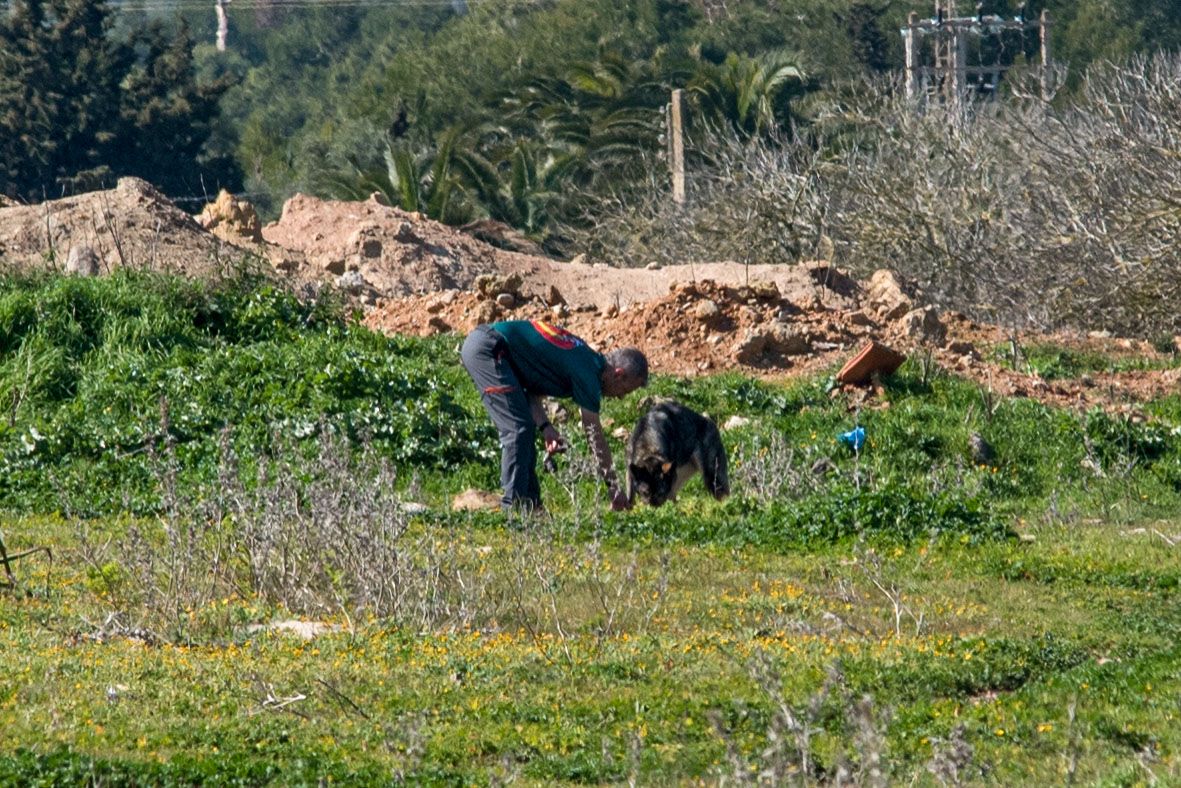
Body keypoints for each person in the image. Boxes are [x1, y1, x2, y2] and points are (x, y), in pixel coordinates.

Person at [460, 319, 648, 512]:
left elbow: (531, 394)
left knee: (525, 428)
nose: (621, 397)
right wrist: (614, 487)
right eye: (625, 389)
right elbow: (594, 435)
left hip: (492, 348)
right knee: (517, 430)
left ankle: (531, 507)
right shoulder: (588, 374)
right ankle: (513, 510)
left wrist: (546, 427)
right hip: (489, 350)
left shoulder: (587, 360)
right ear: (618, 374)